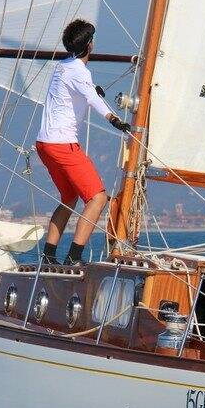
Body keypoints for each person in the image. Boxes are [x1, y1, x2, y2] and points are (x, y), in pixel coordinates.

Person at [36, 19, 130, 265]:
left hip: (44, 144)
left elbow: (77, 92)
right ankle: (73, 258)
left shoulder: (62, 66)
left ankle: (48, 255)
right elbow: (91, 98)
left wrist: (92, 89)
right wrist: (114, 118)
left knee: (69, 197)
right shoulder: (80, 71)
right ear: (90, 45)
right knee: (97, 198)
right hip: (62, 144)